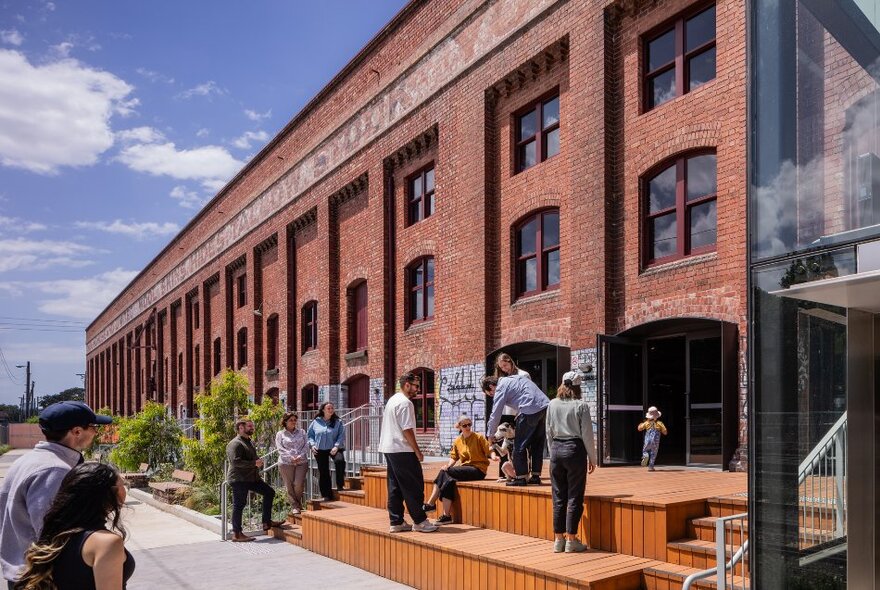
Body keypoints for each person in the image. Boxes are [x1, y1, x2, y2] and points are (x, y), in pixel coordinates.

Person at [0, 401, 111, 589]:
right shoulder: (54, 470)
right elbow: (50, 532)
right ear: (76, 431)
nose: (95, 432)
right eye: (93, 427)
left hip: (27, 574)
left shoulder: (29, 460)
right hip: (43, 579)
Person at [15, 462, 134, 590]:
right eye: (124, 485)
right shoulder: (107, 543)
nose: (125, 490)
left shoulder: (57, 532)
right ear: (111, 492)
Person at [377, 373, 438, 533]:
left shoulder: (393, 399)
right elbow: (407, 430)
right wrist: (417, 451)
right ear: (406, 385)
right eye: (416, 386)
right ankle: (420, 521)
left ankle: (396, 521)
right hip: (402, 449)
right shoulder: (405, 403)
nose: (418, 389)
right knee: (413, 486)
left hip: (389, 449)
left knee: (395, 486)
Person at [546, 371, 598, 553]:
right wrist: (593, 458)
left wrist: (553, 451)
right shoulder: (580, 405)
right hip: (575, 450)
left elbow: (548, 431)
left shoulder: (552, 404)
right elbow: (587, 435)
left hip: (556, 450)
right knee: (574, 495)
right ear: (577, 386)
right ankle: (571, 540)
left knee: (558, 496)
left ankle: (558, 540)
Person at [422, 415, 492, 524]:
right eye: (465, 425)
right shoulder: (458, 440)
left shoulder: (478, 437)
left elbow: (489, 450)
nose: (468, 427)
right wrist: (448, 465)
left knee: (445, 472)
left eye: (469, 424)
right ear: (459, 427)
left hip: (478, 470)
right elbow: (454, 457)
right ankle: (447, 516)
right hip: (465, 469)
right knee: (448, 481)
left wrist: (494, 456)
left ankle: (431, 503)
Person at [482, 373, 550, 487]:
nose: (493, 396)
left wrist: (490, 434)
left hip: (529, 410)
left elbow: (496, 413)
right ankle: (535, 477)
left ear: (492, 387)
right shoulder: (515, 378)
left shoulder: (501, 387)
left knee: (519, 446)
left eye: (490, 394)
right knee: (537, 444)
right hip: (544, 407)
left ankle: (521, 478)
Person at [226, 418, 283, 542]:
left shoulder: (248, 442)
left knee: (269, 492)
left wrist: (258, 461)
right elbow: (235, 462)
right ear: (241, 427)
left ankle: (266, 522)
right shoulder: (235, 443)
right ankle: (237, 534)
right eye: (250, 426)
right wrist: (253, 463)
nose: (252, 428)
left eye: (252, 426)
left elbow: (251, 457)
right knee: (239, 505)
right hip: (239, 479)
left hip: (251, 478)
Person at [492, 353, 531, 481]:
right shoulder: (504, 378)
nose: (504, 369)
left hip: (519, 413)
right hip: (506, 413)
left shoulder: (523, 375)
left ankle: (523, 473)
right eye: (501, 367)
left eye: (505, 365)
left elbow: (527, 395)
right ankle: (505, 474)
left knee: (519, 446)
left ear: (510, 361)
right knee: (505, 442)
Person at [307, 402, 346, 501]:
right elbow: (310, 435)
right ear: (323, 410)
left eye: (332, 408)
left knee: (339, 461)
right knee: (324, 471)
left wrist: (336, 447)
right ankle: (326, 495)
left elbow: (341, 435)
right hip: (320, 449)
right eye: (328, 408)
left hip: (334, 447)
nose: (331, 410)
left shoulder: (338, 421)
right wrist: (312, 445)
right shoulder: (316, 421)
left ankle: (340, 484)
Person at [275, 412, 308, 515]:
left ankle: (297, 504)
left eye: (295, 420)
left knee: (298, 484)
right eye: (291, 420)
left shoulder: (302, 432)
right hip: (285, 463)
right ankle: (295, 506)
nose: (293, 422)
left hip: (301, 461)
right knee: (289, 485)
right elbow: (280, 448)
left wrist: (300, 456)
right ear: (285, 422)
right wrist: (290, 457)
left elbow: (307, 445)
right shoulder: (280, 434)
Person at [638, 406, 668, 471]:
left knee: (645, 450)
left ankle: (645, 456)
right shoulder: (660, 423)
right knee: (653, 453)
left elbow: (639, 429)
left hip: (647, 440)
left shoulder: (646, 423)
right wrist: (661, 431)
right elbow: (665, 432)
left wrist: (640, 425)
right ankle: (651, 467)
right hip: (655, 441)